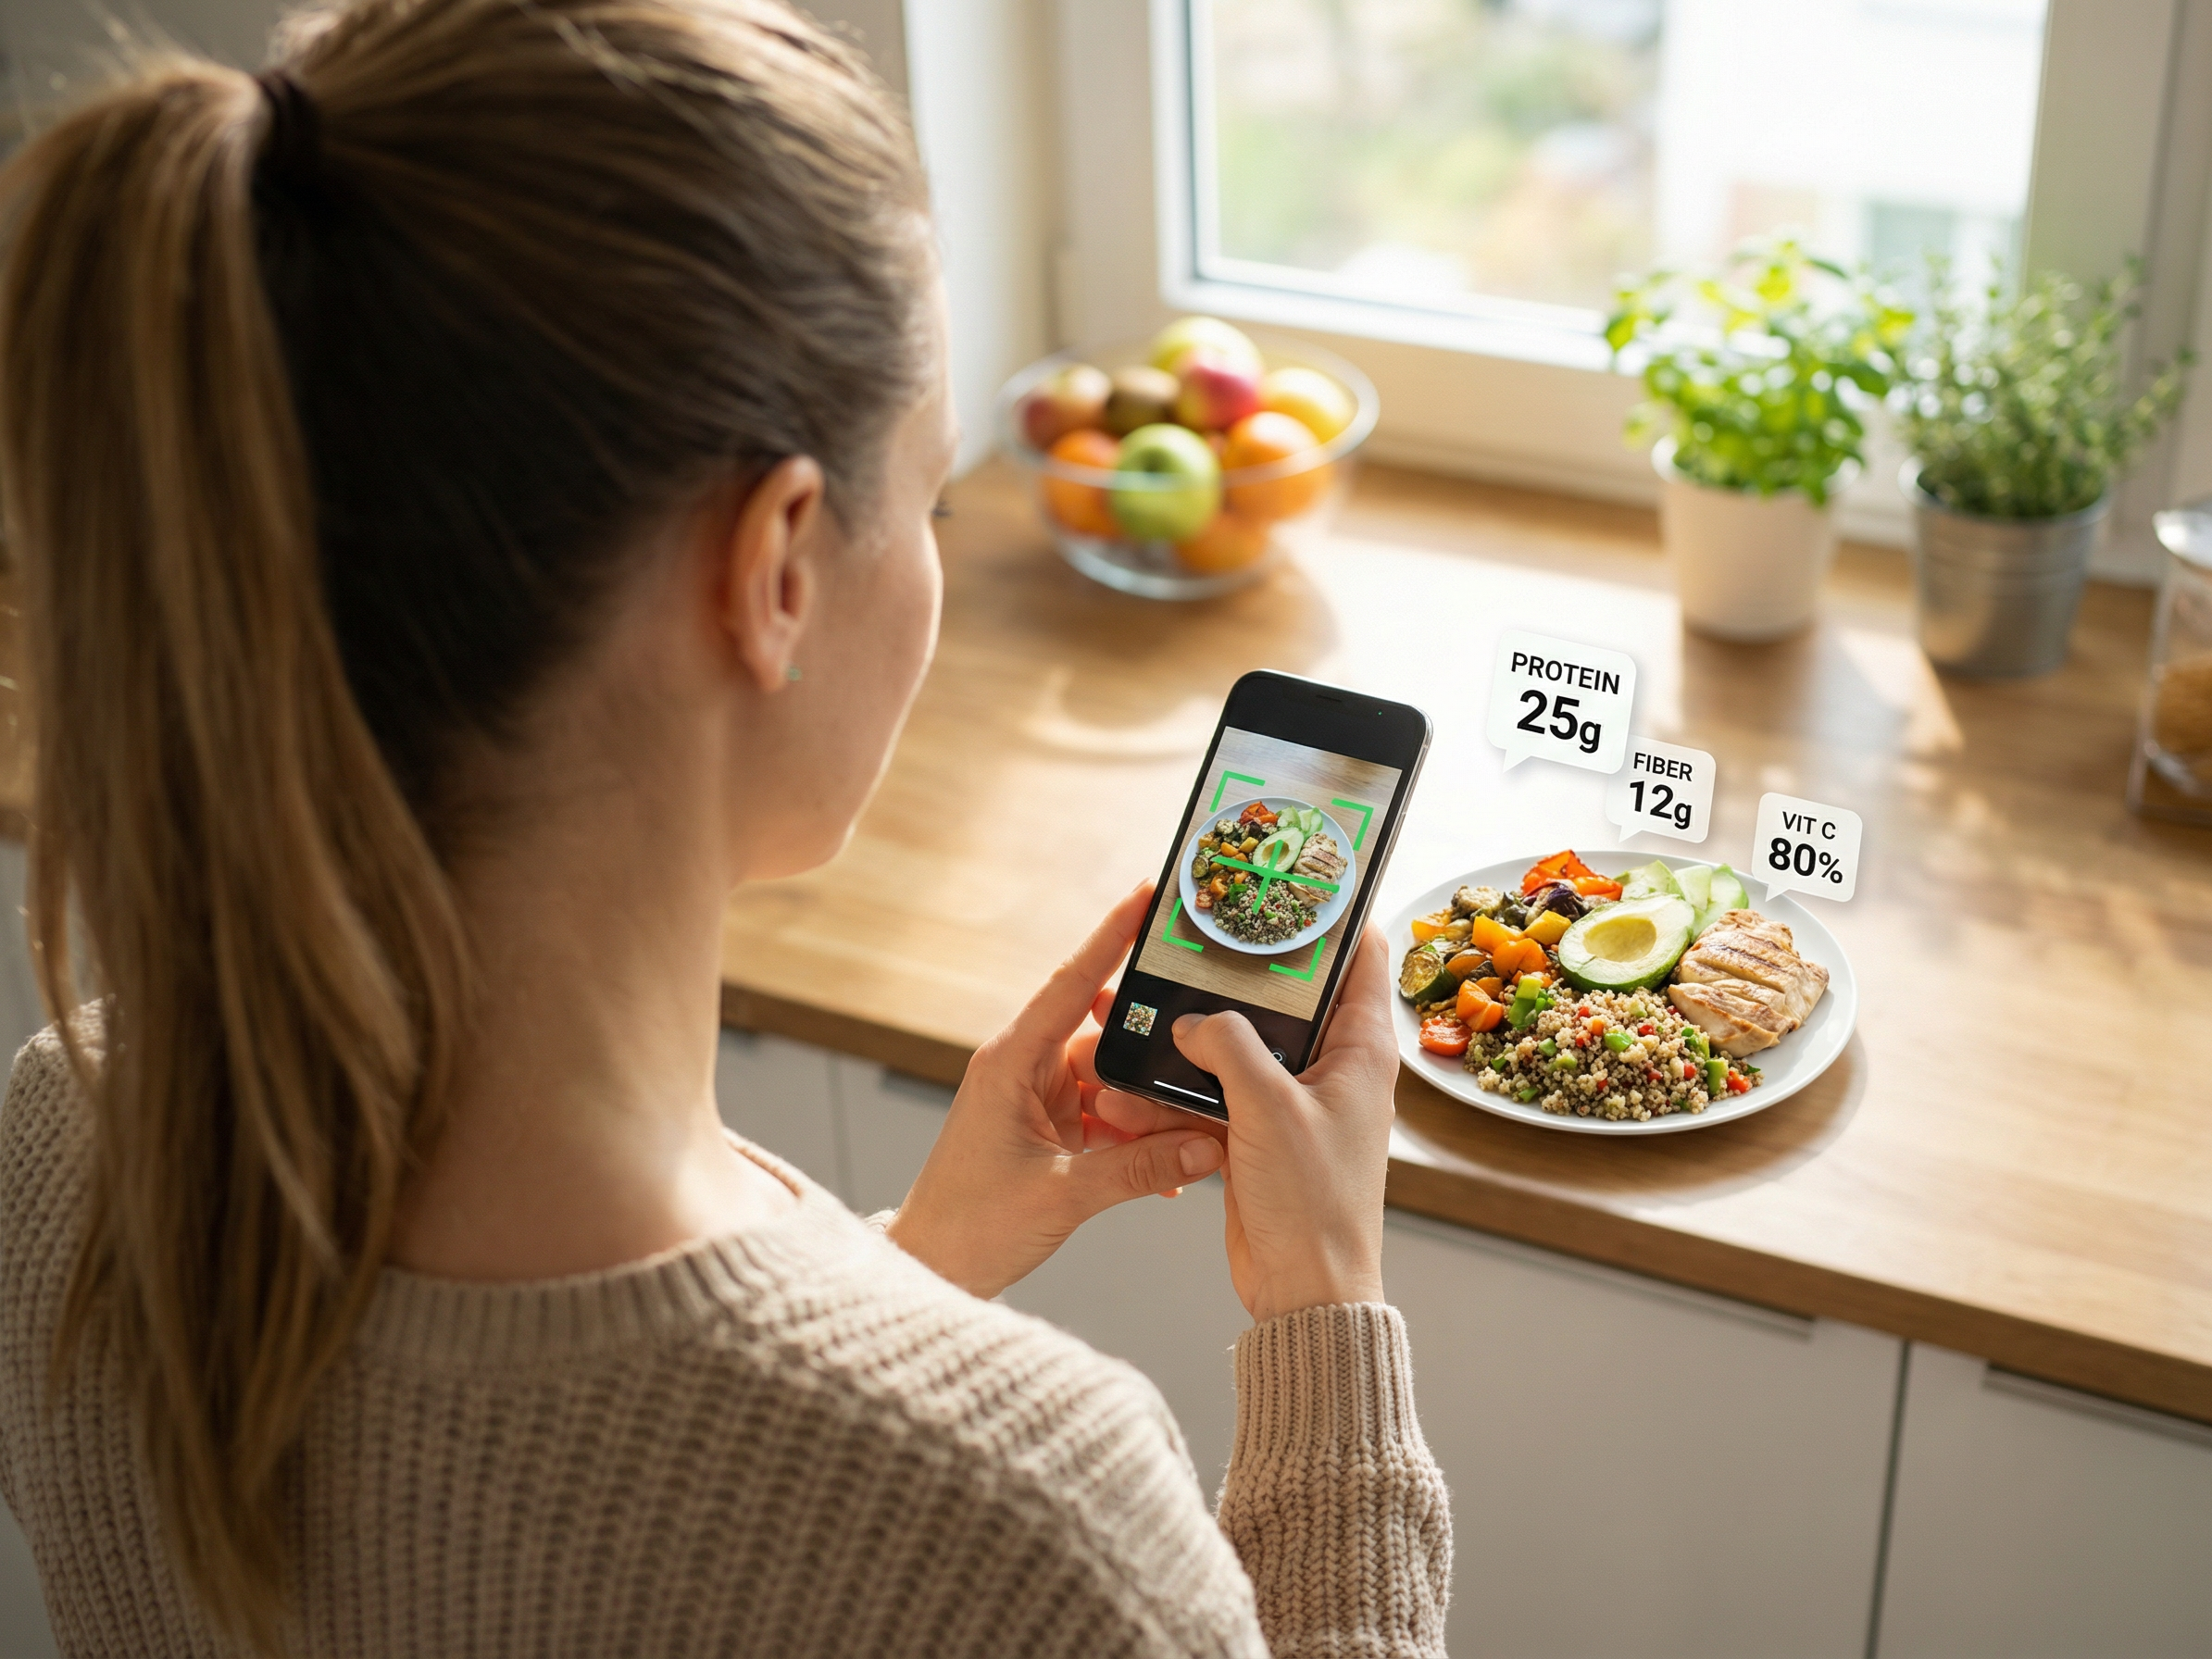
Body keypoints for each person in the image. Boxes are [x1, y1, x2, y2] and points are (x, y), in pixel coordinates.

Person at [0, 0, 1452, 1653]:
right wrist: (1330, 1316)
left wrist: (913, 1261)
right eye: (933, 499)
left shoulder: (73, 1146)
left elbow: (542, 1483)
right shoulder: (1035, 1520)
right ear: (772, 568)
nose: (936, 563)